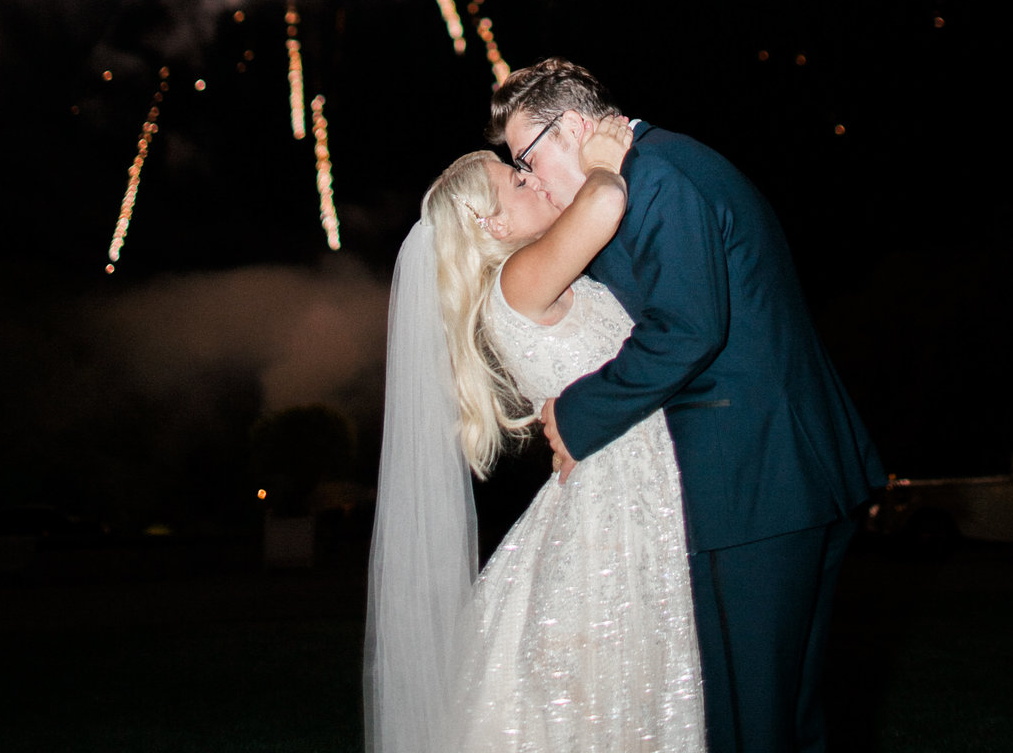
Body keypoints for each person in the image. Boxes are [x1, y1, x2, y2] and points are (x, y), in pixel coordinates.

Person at [490, 58, 885, 753]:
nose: (530, 177)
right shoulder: (653, 171)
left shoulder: (659, 180)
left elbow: (687, 331)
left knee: (749, 722)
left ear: (575, 126)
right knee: (786, 719)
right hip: (781, 476)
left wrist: (576, 416)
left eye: (527, 156)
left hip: (754, 483)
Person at [363, 115, 705, 753]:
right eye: (518, 180)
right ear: (491, 224)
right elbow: (602, 199)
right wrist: (603, 155)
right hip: (615, 497)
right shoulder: (518, 280)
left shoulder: (542, 276)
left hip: (628, 480)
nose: (534, 180)